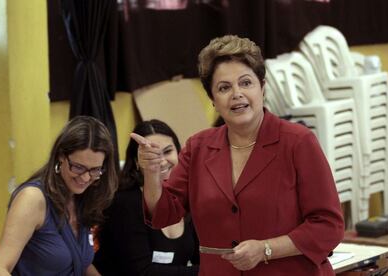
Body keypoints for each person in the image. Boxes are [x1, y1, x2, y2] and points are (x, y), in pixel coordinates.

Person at [131, 35, 344, 275]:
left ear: (262, 88)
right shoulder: (198, 147)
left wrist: (266, 249)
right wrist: (151, 173)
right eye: (224, 87)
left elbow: (328, 226)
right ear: (212, 99)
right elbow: (163, 215)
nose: (236, 94)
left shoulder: (298, 142)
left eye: (246, 83)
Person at [0, 116, 118, 276]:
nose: (86, 178)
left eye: (95, 170)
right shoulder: (32, 199)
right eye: (78, 167)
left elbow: (79, 262)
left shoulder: (82, 198)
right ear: (60, 155)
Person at [93, 119, 200, 275]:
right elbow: (141, 272)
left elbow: (202, 256)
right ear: (137, 161)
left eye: (168, 151)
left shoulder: (188, 198)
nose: (162, 161)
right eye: (151, 155)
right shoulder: (124, 202)